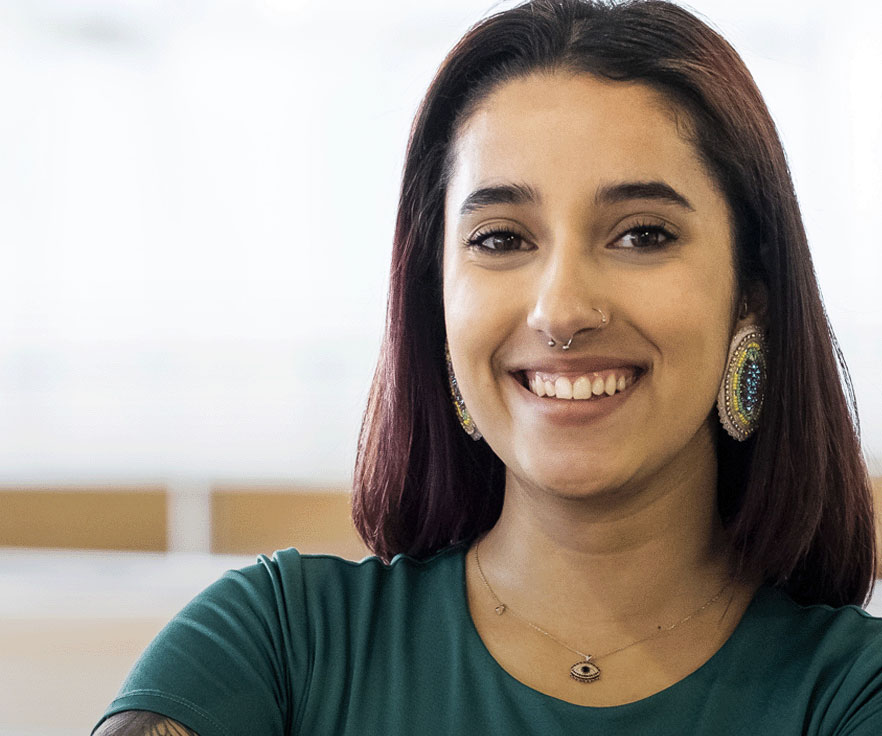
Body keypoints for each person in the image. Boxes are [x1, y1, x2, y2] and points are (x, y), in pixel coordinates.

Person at [93, 1, 881, 734]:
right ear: (436, 301)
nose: (561, 308)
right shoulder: (272, 646)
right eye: (502, 239)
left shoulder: (852, 692)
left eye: (641, 234)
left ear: (754, 295)